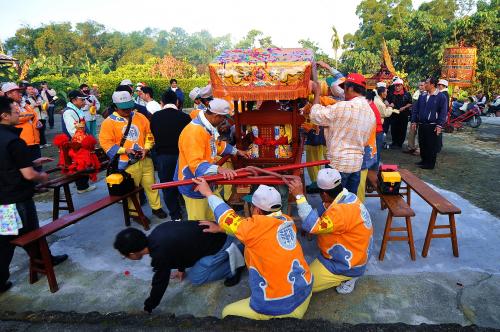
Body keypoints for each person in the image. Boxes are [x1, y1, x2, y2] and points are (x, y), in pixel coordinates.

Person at [193, 178, 313, 320]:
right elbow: (249, 228)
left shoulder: (253, 229)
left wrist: (208, 193)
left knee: (227, 313)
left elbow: (227, 216)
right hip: (305, 292)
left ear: (256, 209)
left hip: (282, 307)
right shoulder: (287, 220)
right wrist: (221, 229)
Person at [0, 96, 68, 292]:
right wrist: (42, 176)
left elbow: (9, 164)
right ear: (4, 116)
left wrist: (33, 162)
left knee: (12, 237)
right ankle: (43, 262)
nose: (19, 114)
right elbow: (28, 175)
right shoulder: (13, 141)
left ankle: (43, 259)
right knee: (18, 237)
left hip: (4, 199)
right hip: (16, 200)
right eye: (15, 112)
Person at [113, 221, 245, 313]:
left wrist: (148, 307)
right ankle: (234, 252)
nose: (127, 258)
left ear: (132, 253)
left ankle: (237, 262)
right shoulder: (157, 233)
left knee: (196, 278)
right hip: (215, 233)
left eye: (125, 256)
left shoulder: (159, 254)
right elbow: (180, 247)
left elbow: (160, 282)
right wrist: (181, 269)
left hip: (221, 242)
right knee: (193, 267)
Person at [289, 168, 372, 294]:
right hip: (357, 252)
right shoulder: (348, 196)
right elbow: (322, 210)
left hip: (347, 263)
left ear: (324, 194)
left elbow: (312, 226)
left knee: (302, 286)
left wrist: (299, 196)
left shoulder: (340, 212)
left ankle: (348, 276)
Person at [174, 98, 250, 221]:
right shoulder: (193, 132)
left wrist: (236, 151)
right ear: (216, 116)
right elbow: (196, 164)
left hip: (207, 183)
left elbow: (217, 145)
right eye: (223, 118)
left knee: (212, 219)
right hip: (193, 185)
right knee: (198, 224)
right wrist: (219, 169)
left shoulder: (206, 127)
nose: (224, 121)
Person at [99, 91, 167, 219]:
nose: (127, 110)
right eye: (123, 108)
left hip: (144, 158)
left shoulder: (140, 117)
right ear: (115, 107)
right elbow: (106, 143)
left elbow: (149, 134)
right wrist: (125, 150)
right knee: (131, 190)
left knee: (151, 185)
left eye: (129, 107)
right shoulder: (108, 122)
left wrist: (146, 149)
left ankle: (156, 208)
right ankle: (135, 213)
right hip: (126, 163)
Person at [309, 74, 375, 194]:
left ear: (350, 88)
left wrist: (317, 93)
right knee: (349, 203)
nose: (343, 91)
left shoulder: (343, 107)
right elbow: (365, 141)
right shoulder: (370, 113)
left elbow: (315, 116)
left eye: (344, 88)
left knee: (332, 204)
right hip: (355, 166)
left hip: (338, 166)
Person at [150, 90, 191, 221]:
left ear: (161, 103)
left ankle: (175, 215)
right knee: (186, 182)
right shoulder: (185, 117)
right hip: (182, 156)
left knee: (167, 186)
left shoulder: (155, 117)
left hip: (163, 157)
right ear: (177, 102)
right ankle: (190, 210)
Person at [61, 90, 97, 194]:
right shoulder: (69, 112)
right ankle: (81, 187)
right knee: (79, 164)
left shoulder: (76, 110)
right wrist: (85, 141)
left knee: (83, 163)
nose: (85, 102)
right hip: (76, 143)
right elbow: (73, 131)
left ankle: (83, 185)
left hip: (80, 141)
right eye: (82, 100)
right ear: (74, 100)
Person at [1, 83, 41, 170]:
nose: (20, 93)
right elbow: (20, 117)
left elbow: (34, 114)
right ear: (8, 94)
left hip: (34, 141)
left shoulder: (24, 104)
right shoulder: (8, 108)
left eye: (20, 91)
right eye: (17, 92)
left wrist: (36, 121)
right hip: (23, 143)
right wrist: (30, 115)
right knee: (27, 169)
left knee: (37, 167)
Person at [411, 77, 448, 170]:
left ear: (432, 84)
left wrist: (439, 125)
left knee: (431, 145)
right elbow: (416, 109)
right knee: (422, 143)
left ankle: (430, 163)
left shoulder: (441, 96)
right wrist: (414, 121)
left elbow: (443, 112)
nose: (424, 85)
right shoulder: (422, 96)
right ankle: (423, 160)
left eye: (427, 83)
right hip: (422, 124)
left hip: (433, 125)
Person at [386, 78, 412, 149]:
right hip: (394, 114)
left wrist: (404, 107)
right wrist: (389, 104)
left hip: (403, 115)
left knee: (402, 129)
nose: (397, 87)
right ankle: (394, 142)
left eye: (398, 85)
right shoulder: (391, 94)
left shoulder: (407, 94)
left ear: (402, 85)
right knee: (394, 129)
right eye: (395, 86)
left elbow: (410, 103)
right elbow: (386, 100)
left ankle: (400, 144)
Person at [404, 81, 426, 155]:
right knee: (412, 132)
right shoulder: (416, 93)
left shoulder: (427, 94)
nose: (421, 87)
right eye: (419, 85)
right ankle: (411, 147)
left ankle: (420, 149)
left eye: (422, 85)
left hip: (422, 117)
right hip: (414, 115)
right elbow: (414, 105)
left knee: (421, 134)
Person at [25, 84, 49, 149]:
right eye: (29, 89)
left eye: (32, 89)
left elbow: (44, 104)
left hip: (42, 115)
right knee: (38, 130)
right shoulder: (26, 99)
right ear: (26, 91)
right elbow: (26, 108)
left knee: (43, 130)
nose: (31, 90)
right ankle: (39, 143)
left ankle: (44, 143)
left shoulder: (39, 96)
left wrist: (45, 105)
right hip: (35, 117)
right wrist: (34, 105)